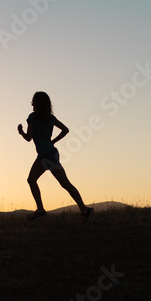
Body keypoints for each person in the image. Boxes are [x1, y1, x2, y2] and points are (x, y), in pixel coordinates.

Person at [17, 91, 94, 223]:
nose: (32, 104)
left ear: (36, 103)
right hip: (49, 154)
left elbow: (29, 138)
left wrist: (21, 132)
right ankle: (84, 210)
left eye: (33, 102)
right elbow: (65, 130)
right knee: (64, 184)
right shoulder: (50, 118)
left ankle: (41, 211)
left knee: (32, 180)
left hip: (46, 156)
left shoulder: (33, 117)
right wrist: (52, 141)